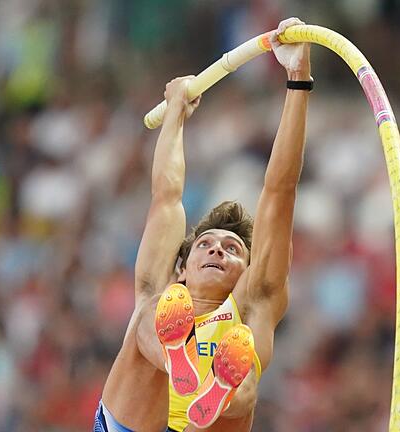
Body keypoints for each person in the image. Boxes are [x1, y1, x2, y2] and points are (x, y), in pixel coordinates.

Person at [95, 17, 311, 431]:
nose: (216, 249)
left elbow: (280, 191)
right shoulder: (163, 285)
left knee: (242, 353)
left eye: (233, 250)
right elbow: (166, 196)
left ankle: (212, 387)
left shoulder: (254, 301)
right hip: (135, 418)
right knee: (149, 309)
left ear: (247, 273)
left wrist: (298, 80)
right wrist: (175, 113)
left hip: (209, 419)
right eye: (206, 244)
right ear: (182, 264)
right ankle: (183, 362)